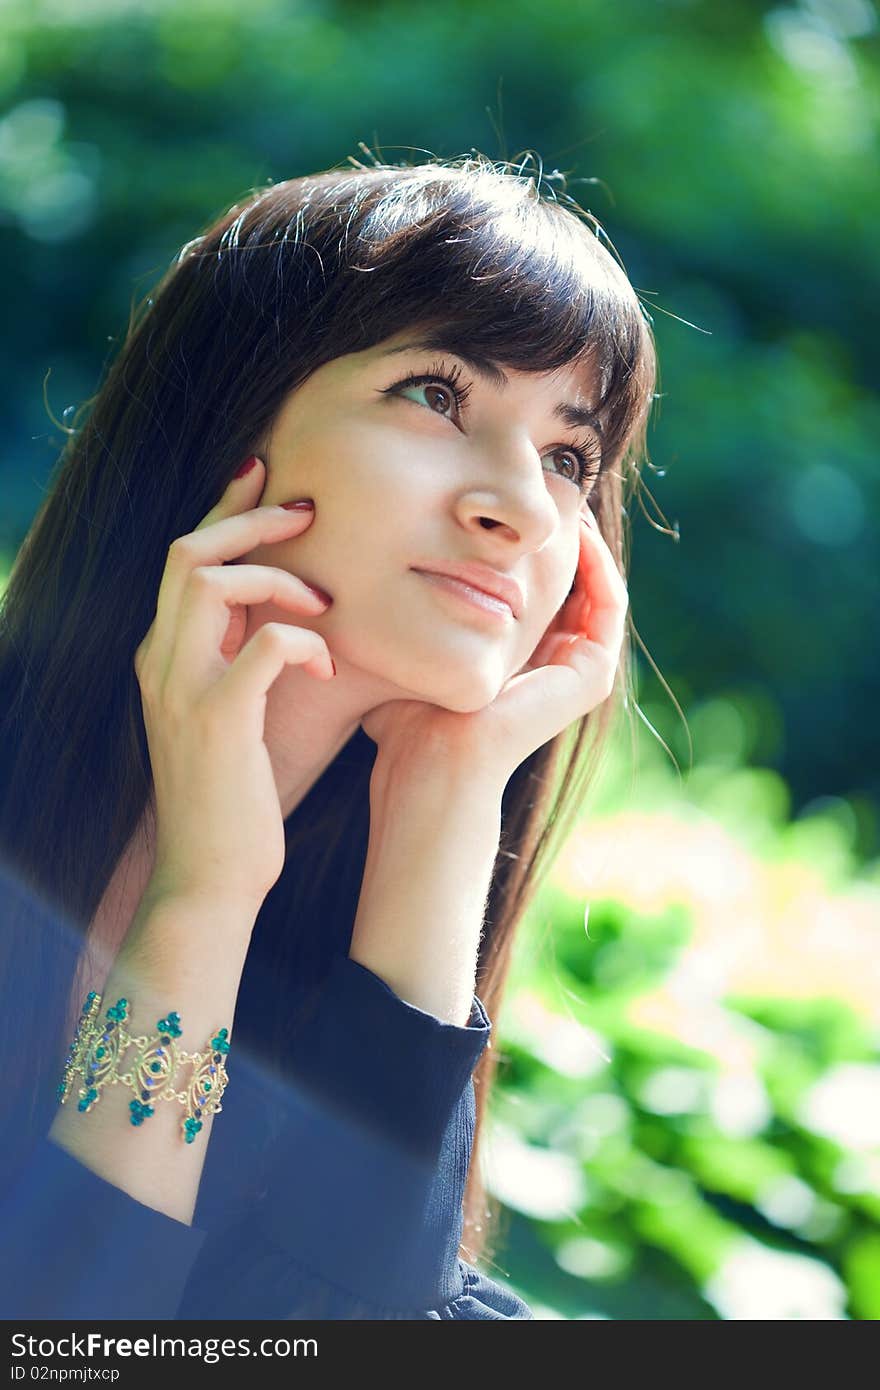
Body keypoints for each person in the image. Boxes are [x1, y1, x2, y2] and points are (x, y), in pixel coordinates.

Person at [0, 150, 656, 1320]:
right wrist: (201, 898)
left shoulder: (363, 930)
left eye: (569, 455)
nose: (513, 503)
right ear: (226, 422)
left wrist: (442, 817)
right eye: (438, 394)